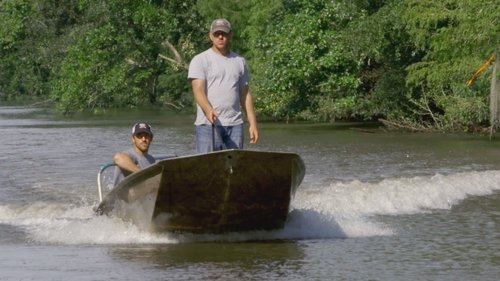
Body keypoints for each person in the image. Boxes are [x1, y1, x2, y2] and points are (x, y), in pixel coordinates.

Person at [188, 18, 259, 153]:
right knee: (208, 167)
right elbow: (198, 90)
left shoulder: (239, 61)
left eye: (224, 33)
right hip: (208, 125)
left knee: (234, 169)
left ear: (230, 35)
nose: (220, 37)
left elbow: (245, 94)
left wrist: (253, 124)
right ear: (211, 36)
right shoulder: (200, 60)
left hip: (235, 125)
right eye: (217, 34)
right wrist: (209, 110)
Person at [112, 122, 155, 187]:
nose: (143, 139)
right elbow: (117, 157)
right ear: (133, 139)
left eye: (146, 135)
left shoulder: (151, 159)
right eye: (139, 136)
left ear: (151, 138)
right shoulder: (129, 154)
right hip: (120, 196)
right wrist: (142, 173)